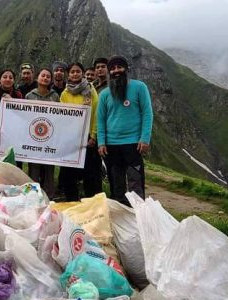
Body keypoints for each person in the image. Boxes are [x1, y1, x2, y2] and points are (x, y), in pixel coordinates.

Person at [98, 55, 153, 203]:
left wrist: (145, 138)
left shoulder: (140, 87)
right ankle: (120, 218)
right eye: (113, 68)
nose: (116, 71)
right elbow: (101, 120)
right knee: (117, 184)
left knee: (135, 182)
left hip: (133, 143)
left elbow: (147, 113)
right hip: (111, 145)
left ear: (126, 69)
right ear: (109, 72)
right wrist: (101, 142)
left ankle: (138, 216)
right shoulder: (104, 94)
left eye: (119, 67)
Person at [58, 62, 102, 201]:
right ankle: (72, 201)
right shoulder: (64, 94)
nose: (75, 74)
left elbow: (96, 113)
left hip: (88, 137)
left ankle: (90, 203)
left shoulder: (90, 90)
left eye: (78, 71)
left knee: (90, 173)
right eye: (72, 72)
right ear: (68, 74)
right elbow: (62, 116)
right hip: (71, 139)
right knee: (68, 173)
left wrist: (93, 135)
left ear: (82, 73)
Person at [25, 68, 60, 198]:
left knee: (49, 169)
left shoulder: (55, 96)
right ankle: (33, 196)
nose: (45, 78)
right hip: (34, 139)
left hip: (50, 138)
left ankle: (49, 196)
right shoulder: (29, 96)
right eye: (43, 75)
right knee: (33, 169)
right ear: (37, 78)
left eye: (48, 76)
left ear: (50, 80)